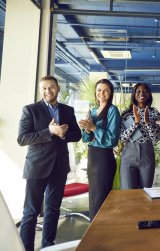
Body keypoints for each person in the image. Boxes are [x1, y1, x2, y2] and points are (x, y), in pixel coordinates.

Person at [17, 76, 81, 250]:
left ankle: (48, 245)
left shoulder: (67, 110)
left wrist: (63, 134)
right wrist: (49, 131)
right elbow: (22, 138)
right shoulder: (30, 110)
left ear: (58, 88)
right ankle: (26, 247)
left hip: (59, 166)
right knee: (31, 212)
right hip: (37, 167)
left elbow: (77, 135)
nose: (48, 91)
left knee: (53, 209)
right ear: (40, 90)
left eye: (51, 87)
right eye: (44, 88)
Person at [78, 79, 121, 221]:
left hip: (104, 158)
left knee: (101, 197)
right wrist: (86, 129)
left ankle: (101, 230)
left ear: (110, 93)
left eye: (105, 90)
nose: (101, 93)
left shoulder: (112, 110)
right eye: (99, 90)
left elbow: (112, 140)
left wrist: (94, 128)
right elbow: (86, 139)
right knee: (94, 196)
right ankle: (93, 228)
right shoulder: (92, 111)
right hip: (92, 156)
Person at [119, 83, 160, 189]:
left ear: (149, 94)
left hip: (147, 154)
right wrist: (135, 123)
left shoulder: (154, 112)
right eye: (138, 91)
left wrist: (147, 122)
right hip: (128, 155)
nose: (142, 93)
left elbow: (155, 138)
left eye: (145, 91)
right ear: (134, 94)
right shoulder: (126, 114)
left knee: (146, 192)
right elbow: (122, 138)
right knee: (128, 193)